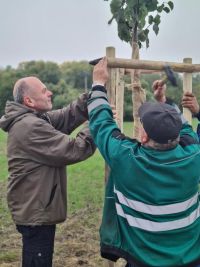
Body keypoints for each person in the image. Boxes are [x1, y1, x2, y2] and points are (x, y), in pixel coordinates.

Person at [87, 58, 200, 267]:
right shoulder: (194, 155)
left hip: (143, 260)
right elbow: (185, 130)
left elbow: (101, 125)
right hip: (191, 258)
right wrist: (163, 104)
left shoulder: (126, 158)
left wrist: (97, 84)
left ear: (144, 136)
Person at [0, 76, 96, 267]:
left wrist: (95, 92)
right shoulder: (30, 126)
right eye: (44, 91)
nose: (50, 92)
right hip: (36, 212)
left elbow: (67, 115)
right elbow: (75, 149)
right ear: (29, 101)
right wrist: (97, 122)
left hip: (35, 207)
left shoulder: (34, 119)